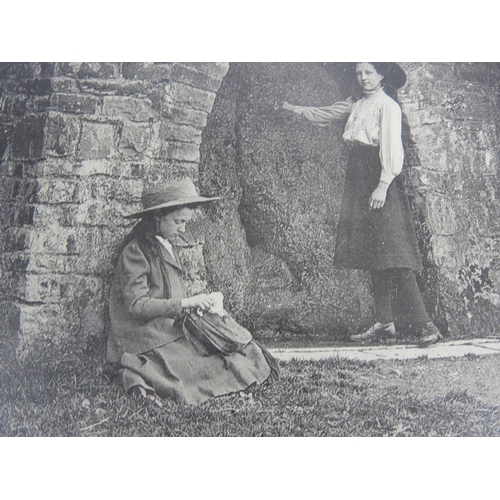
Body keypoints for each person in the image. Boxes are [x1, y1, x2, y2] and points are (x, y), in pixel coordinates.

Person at [282, 62, 442, 348]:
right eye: (359, 73)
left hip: (380, 176)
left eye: (369, 72)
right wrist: (293, 109)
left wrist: (382, 184)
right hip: (357, 176)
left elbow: (392, 147)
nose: (363, 78)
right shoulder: (356, 104)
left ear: (381, 75)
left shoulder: (387, 106)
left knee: (395, 252)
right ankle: (385, 323)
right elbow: (326, 114)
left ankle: (425, 325)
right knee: (373, 252)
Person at [107, 178, 279, 405]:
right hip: (144, 336)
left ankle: (145, 375)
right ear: (158, 217)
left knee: (227, 354)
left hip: (169, 329)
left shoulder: (168, 246)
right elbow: (136, 305)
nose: (183, 228)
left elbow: (175, 293)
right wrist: (186, 304)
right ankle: (135, 373)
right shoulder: (136, 252)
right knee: (193, 365)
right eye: (179, 221)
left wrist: (203, 303)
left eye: (186, 222)